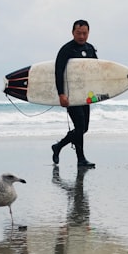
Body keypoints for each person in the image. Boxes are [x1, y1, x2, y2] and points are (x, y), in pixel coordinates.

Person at [50, 19, 98, 168]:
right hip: (71, 95)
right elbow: (58, 72)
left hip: (84, 95)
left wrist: (96, 93)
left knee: (83, 129)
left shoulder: (90, 49)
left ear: (88, 33)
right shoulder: (66, 50)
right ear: (73, 33)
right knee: (79, 124)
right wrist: (61, 94)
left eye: (84, 33)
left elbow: (96, 72)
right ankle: (81, 159)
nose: (82, 36)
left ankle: (58, 146)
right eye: (79, 33)